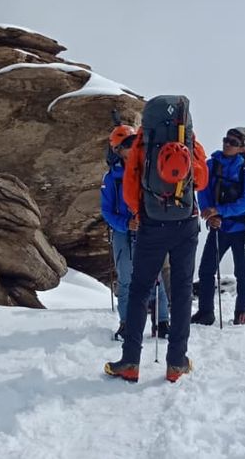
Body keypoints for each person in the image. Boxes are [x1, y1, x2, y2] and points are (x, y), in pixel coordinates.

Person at [104, 99, 208, 383]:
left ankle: (130, 362)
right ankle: (176, 363)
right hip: (186, 225)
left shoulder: (142, 143)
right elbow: (201, 181)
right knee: (182, 290)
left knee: (139, 290)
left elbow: (128, 189)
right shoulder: (190, 141)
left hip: (151, 226)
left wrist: (143, 212)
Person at [101, 125, 170, 341]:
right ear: (118, 150)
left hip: (148, 229)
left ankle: (162, 321)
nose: (133, 147)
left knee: (156, 276)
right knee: (126, 280)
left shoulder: (148, 170)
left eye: (134, 142)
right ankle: (127, 323)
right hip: (124, 233)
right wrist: (125, 224)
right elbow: (107, 211)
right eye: (128, 144)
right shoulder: (112, 178)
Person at [193, 127, 245, 326]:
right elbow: (202, 191)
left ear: (242, 149)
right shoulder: (210, 165)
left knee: (243, 273)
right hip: (221, 227)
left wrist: (217, 212)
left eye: (233, 143)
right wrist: (209, 213)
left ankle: (242, 314)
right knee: (206, 270)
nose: (227, 144)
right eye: (226, 140)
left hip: (242, 228)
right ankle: (206, 313)